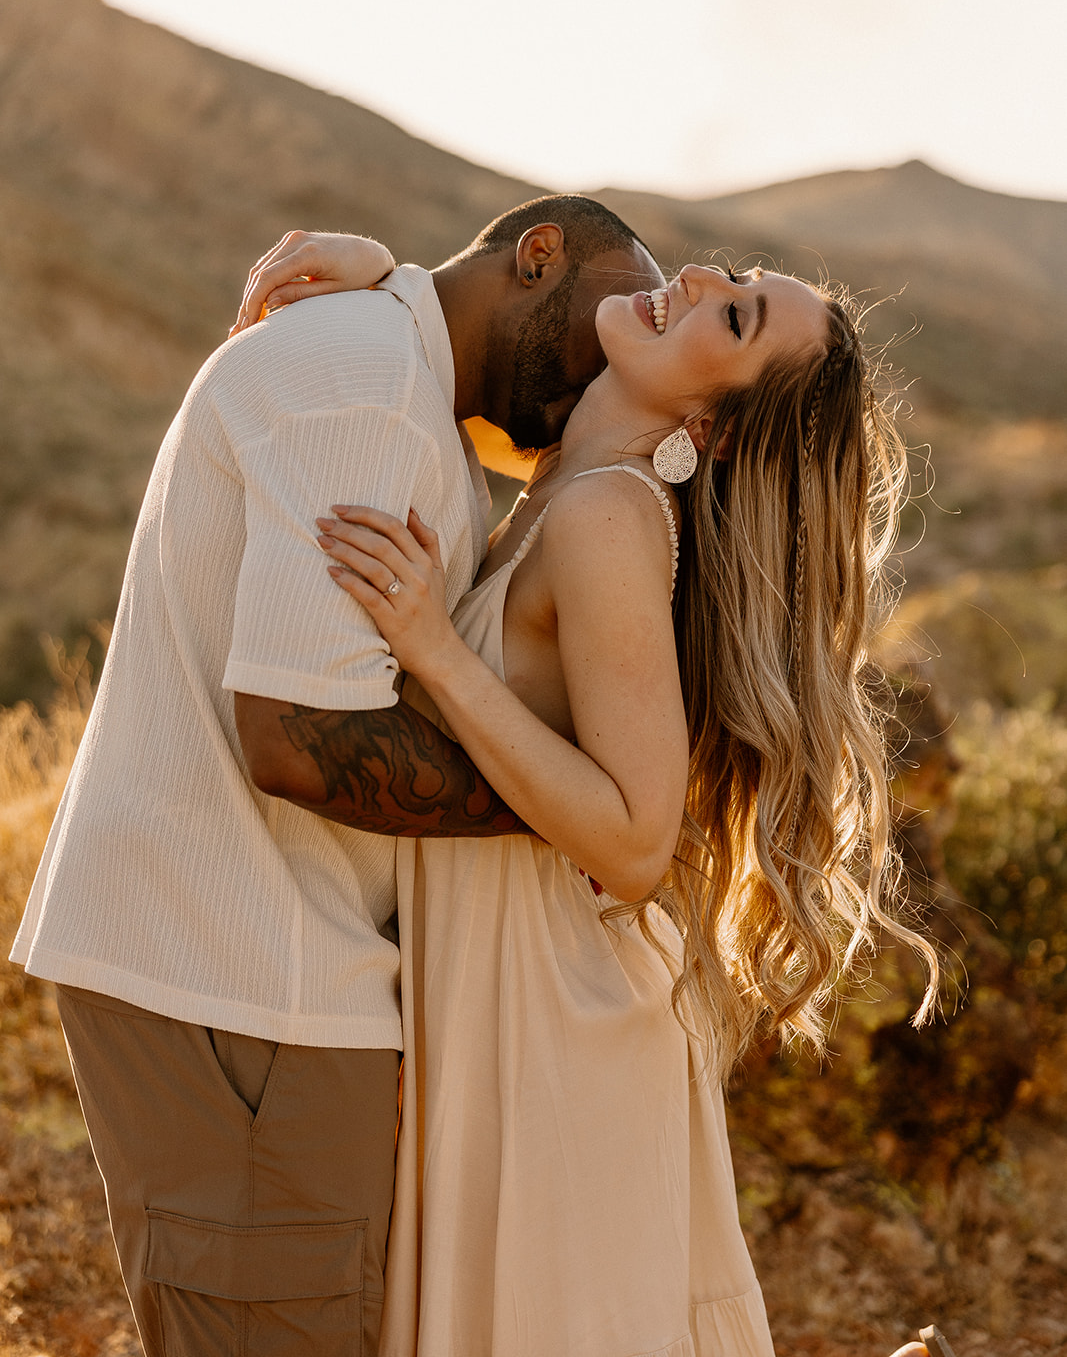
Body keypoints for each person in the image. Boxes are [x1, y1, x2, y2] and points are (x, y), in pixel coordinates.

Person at [240, 250, 940, 1355]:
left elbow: (633, 838)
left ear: (709, 428)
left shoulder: (609, 515)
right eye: (735, 276)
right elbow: (472, 352)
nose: (700, 274)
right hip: (509, 991)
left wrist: (435, 648)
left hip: (554, 1013)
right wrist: (395, 284)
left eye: (736, 314)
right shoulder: (564, 478)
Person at [10, 196, 663, 1357]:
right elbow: (297, 737)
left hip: (254, 962)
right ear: (537, 255)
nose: (595, 370)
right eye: (596, 330)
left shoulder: (395, 380)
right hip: (241, 969)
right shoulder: (372, 386)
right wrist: (583, 817)